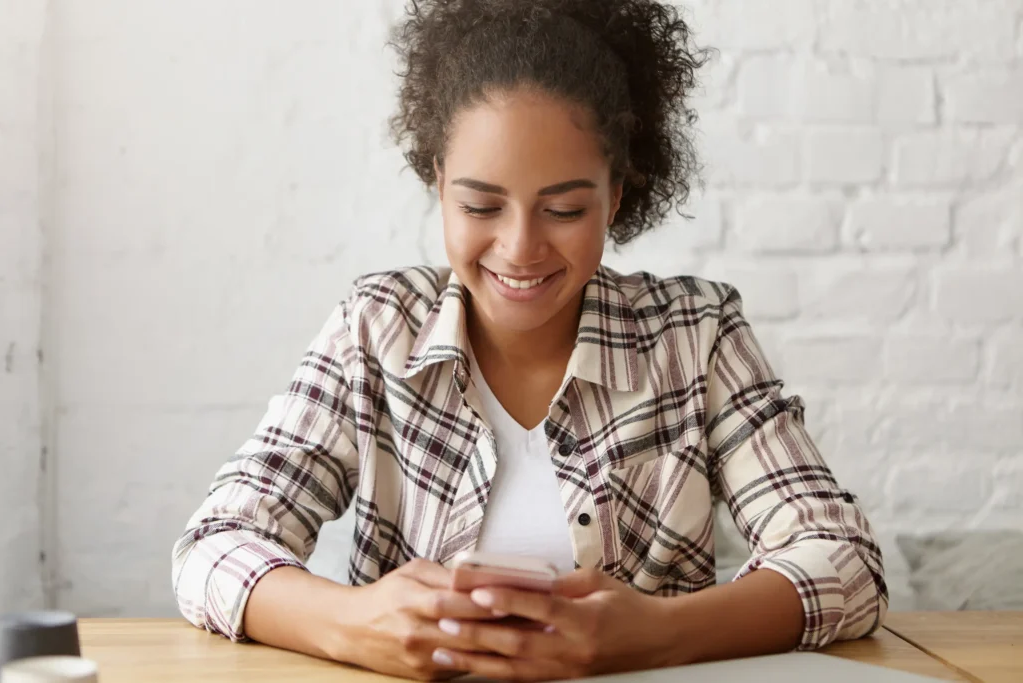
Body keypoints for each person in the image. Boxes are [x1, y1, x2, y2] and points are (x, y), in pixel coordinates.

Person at [171, 0, 888, 679]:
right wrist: (351, 621)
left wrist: (655, 635)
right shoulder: (378, 326)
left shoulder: (696, 337)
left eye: (566, 208)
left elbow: (846, 560)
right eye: (481, 204)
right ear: (437, 179)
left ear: (617, 193)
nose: (519, 248)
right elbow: (216, 543)